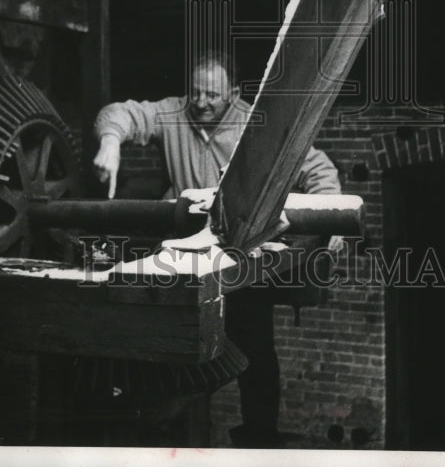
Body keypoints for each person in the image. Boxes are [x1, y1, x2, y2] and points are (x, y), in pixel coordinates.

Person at [93, 50, 342, 448]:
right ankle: (177, 441)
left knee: (255, 353)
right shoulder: (173, 113)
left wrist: (330, 211)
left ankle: (259, 441)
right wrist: (110, 143)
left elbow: (317, 167)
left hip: (243, 265)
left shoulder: (256, 123)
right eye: (195, 92)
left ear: (234, 93)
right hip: (188, 266)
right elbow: (120, 113)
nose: (201, 102)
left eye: (212, 94)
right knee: (184, 353)